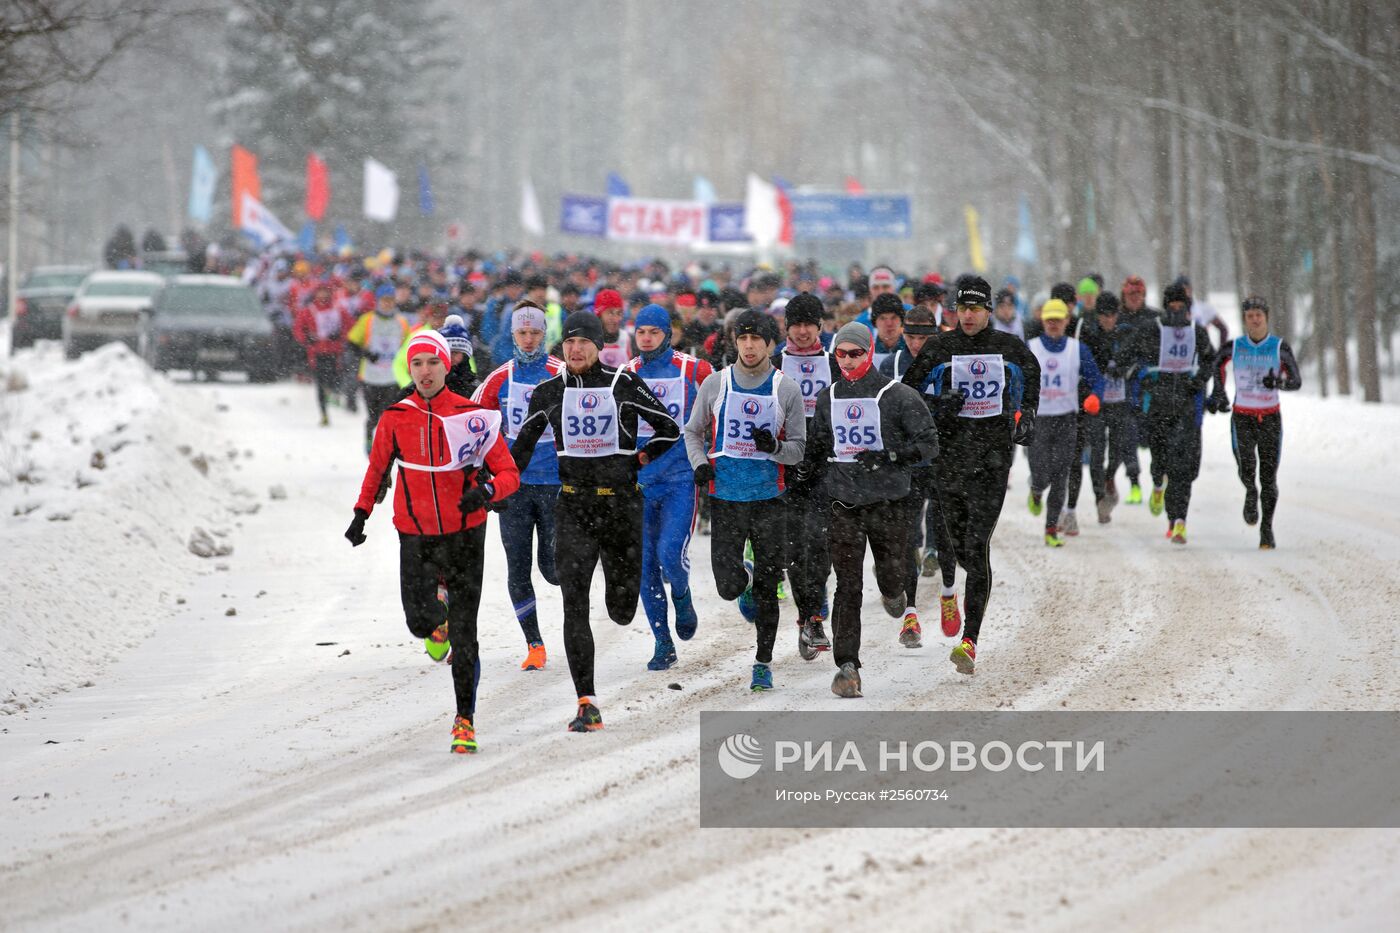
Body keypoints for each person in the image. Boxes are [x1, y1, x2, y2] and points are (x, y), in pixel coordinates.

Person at [347, 329, 521, 754]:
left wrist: (487, 491)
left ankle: (465, 720)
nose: (425, 372)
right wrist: (361, 513)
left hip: (466, 533)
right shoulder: (395, 416)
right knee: (419, 623)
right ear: (411, 368)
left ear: (448, 366)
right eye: (418, 364)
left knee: (466, 633)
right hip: (416, 535)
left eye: (434, 363)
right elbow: (377, 470)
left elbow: (509, 473)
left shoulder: (471, 415)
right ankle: (435, 617)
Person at [511, 311, 681, 732]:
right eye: (569, 343)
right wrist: (494, 481)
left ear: (598, 346)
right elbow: (522, 447)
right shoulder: (548, 392)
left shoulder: (622, 383)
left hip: (621, 508)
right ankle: (586, 701)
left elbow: (669, 427)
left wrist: (640, 458)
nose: (575, 349)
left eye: (583, 342)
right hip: (573, 508)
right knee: (575, 605)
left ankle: (621, 599)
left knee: (621, 610)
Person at [902, 275, 1040, 676]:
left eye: (975, 309)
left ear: (988, 310)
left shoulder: (1009, 347)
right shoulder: (940, 347)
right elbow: (908, 394)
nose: (967, 315)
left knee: (977, 548)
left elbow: (1032, 375)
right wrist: (938, 403)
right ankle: (964, 608)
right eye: (962, 308)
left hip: (993, 461)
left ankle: (970, 641)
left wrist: (1027, 413)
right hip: (950, 461)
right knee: (959, 548)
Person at [804, 321, 937, 696]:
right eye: (840, 354)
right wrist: (802, 478)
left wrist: (889, 456)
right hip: (843, 503)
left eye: (855, 353)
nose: (847, 361)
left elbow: (929, 444)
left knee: (892, 576)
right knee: (847, 585)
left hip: (889, 503)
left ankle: (895, 592)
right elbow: (818, 445)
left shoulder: (899, 395)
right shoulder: (828, 397)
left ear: (870, 352)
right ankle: (848, 667)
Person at [685, 309, 807, 691]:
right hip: (727, 498)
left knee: (769, 590)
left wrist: (775, 448)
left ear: (770, 344)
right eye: (743, 339)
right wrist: (700, 464)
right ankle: (746, 576)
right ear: (735, 342)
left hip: (770, 499)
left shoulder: (785, 388)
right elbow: (693, 431)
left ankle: (762, 662)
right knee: (727, 587)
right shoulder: (716, 384)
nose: (750, 346)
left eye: (757, 339)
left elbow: (799, 449)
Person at [472, 302, 565, 671]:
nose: (529, 340)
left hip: (555, 484)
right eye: (522, 333)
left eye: (535, 333)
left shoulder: (562, 374)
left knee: (553, 569)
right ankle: (534, 644)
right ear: (512, 335)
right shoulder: (498, 379)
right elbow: (475, 424)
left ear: (546, 334)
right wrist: (482, 474)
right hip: (513, 487)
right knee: (517, 567)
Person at [626, 304, 714, 670]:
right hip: (641, 485)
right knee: (644, 566)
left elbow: (719, 411)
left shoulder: (695, 370)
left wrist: (712, 457)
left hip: (680, 480)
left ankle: (681, 591)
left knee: (669, 554)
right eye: (641, 332)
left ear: (669, 334)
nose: (646, 339)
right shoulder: (627, 374)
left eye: (654, 332)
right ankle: (663, 642)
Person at [879, 305, 958, 638]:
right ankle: (911, 614)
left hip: (941, 461)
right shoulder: (890, 365)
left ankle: (949, 593)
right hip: (905, 464)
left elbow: (956, 414)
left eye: (923, 337)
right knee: (907, 538)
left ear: (935, 335)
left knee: (944, 534)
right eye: (910, 336)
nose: (916, 344)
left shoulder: (948, 365)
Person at [774, 293, 840, 659]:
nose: (802, 331)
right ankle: (809, 616)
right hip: (785, 467)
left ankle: (815, 608)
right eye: (796, 324)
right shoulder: (774, 365)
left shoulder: (834, 363)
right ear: (787, 327)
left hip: (825, 466)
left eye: (809, 324)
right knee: (794, 548)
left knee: (822, 544)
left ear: (820, 327)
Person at [1209, 296, 1301, 550]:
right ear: (1245, 319)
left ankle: (1266, 529)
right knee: (1246, 466)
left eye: (1259, 315)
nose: (1255, 319)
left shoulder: (1280, 347)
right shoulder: (1234, 346)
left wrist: (1279, 383)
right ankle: (1250, 491)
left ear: (1267, 318)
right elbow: (1216, 366)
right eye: (1250, 315)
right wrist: (1218, 391)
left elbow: (1296, 380)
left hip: (1270, 417)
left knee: (1269, 477)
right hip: (1243, 417)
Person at [1132, 282, 1217, 544]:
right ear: (1166, 307)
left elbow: (1210, 359)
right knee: (1161, 464)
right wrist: (1144, 377)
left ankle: (1178, 521)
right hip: (1158, 409)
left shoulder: (1198, 332)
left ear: (1189, 309)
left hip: (1186, 408)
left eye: (1182, 307)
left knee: (1182, 469)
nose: (1177, 311)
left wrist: (1199, 380)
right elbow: (1132, 357)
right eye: (1173, 307)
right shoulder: (1152, 330)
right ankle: (1158, 485)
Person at [1025, 300, 1105, 546]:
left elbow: (1097, 380)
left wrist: (1094, 397)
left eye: (1058, 320)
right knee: (1040, 474)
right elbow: (1016, 379)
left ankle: (1051, 528)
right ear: (1043, 321)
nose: (1053, 324)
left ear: (1066, 321)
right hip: (1039, 420)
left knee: (1061, 473)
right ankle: (1036, 490)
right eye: (1049, 319)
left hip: (1066, 419)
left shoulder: (1077, 349)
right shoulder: (1031, 347)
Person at [1079, 292, 1141, 520]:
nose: (1108, 320)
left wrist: (1126, 369)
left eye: (1112, 315)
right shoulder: (1089, 335)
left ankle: (1109, 477)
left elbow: (1138, 359)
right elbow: (1084, 366)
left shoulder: (1125, 333)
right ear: (1098, 316)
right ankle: (1099, 497)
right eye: (1104, 316)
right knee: (1096, 451)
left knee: (1118, 448)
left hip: (1120, 402)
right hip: (1097, 403)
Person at [347, 284, 411, 453]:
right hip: (370, 376)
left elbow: (407, 347)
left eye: (390, 301)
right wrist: (366, 354)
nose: (387, 304)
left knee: (388, 414)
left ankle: (385, 447)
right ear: (378, 301)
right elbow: (351, 343)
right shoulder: (367, 320)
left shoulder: (401, 322)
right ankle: (369, 434)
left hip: (391, 377)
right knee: (373, 416)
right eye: (384, 301)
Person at [292, 281, 354, 426]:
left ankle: (332, 395)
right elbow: (298, 329)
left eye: (325, 291)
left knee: (333, 380)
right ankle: (324, 413)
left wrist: (341, 336)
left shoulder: (339, 310)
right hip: (316, 352)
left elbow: (350, 326)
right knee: (320, 383)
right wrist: (307, 339)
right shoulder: (309, 310)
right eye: (320, 291)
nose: (323, 295)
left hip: (335, 352)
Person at [439, 313, 479, 397]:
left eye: (455, 352)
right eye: (446, 352)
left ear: (464, 355)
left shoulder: (476, 389)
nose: (450, 356)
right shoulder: (429, 385)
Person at [592, 288, 633, 368]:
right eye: (610, 313)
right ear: (599, 315)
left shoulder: (629, 340)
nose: (616, 319)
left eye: (619, 313)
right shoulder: (588, 341)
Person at [869, 293, 909, 372]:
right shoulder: (867, 350)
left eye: (894, 317)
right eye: (883, 318)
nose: (889, 323)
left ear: (901, 320)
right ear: (875, 322)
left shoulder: (911, 348)